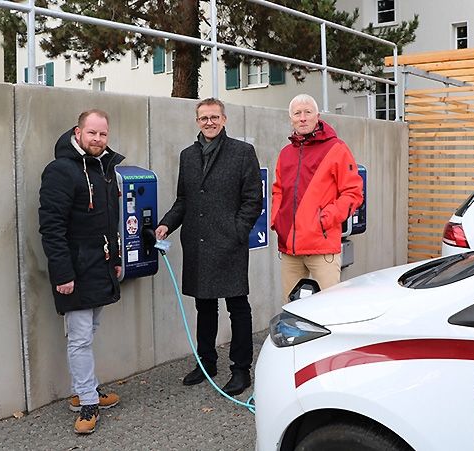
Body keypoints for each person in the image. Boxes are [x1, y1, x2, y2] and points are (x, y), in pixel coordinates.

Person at [155, 98, 262, 396]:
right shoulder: (187, 156)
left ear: (224, 119)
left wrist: (238, 231)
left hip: (230, 244)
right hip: (198, 245)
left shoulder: (242, 152)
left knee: (238, 308)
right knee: (204, 306)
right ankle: (206, 362)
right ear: (197, 121)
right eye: (204, 118)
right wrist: (167, 224)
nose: (209, 122)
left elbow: (253, 200)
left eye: (215, 117)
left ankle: (241, 370)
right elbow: (184, 200)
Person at [39, 109, 123, 434]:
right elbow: (51, 227)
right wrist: (62, 274)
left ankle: (84, 389)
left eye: (103, 134)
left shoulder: (104, 168)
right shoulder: (60, 171)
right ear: (78, 132)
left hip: (100, 266)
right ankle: (87, 400)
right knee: (79, 338)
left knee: (88, 333)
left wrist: (115, 258)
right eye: (92, 134)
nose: (98, 140)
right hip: (74, 269)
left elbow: (110, 219)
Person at [271, 94, 363, 302]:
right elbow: (278, 190)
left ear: (317, 116)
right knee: (292, 308)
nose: (302, 117)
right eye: (297, 113)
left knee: (331, 309)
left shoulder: (336, 148)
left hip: (322, 248)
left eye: (307, 112)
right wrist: (277, 219)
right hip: (289, 249)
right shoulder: (286, 153)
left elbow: (353, 192)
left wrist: (326, 219)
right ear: (291, 118)